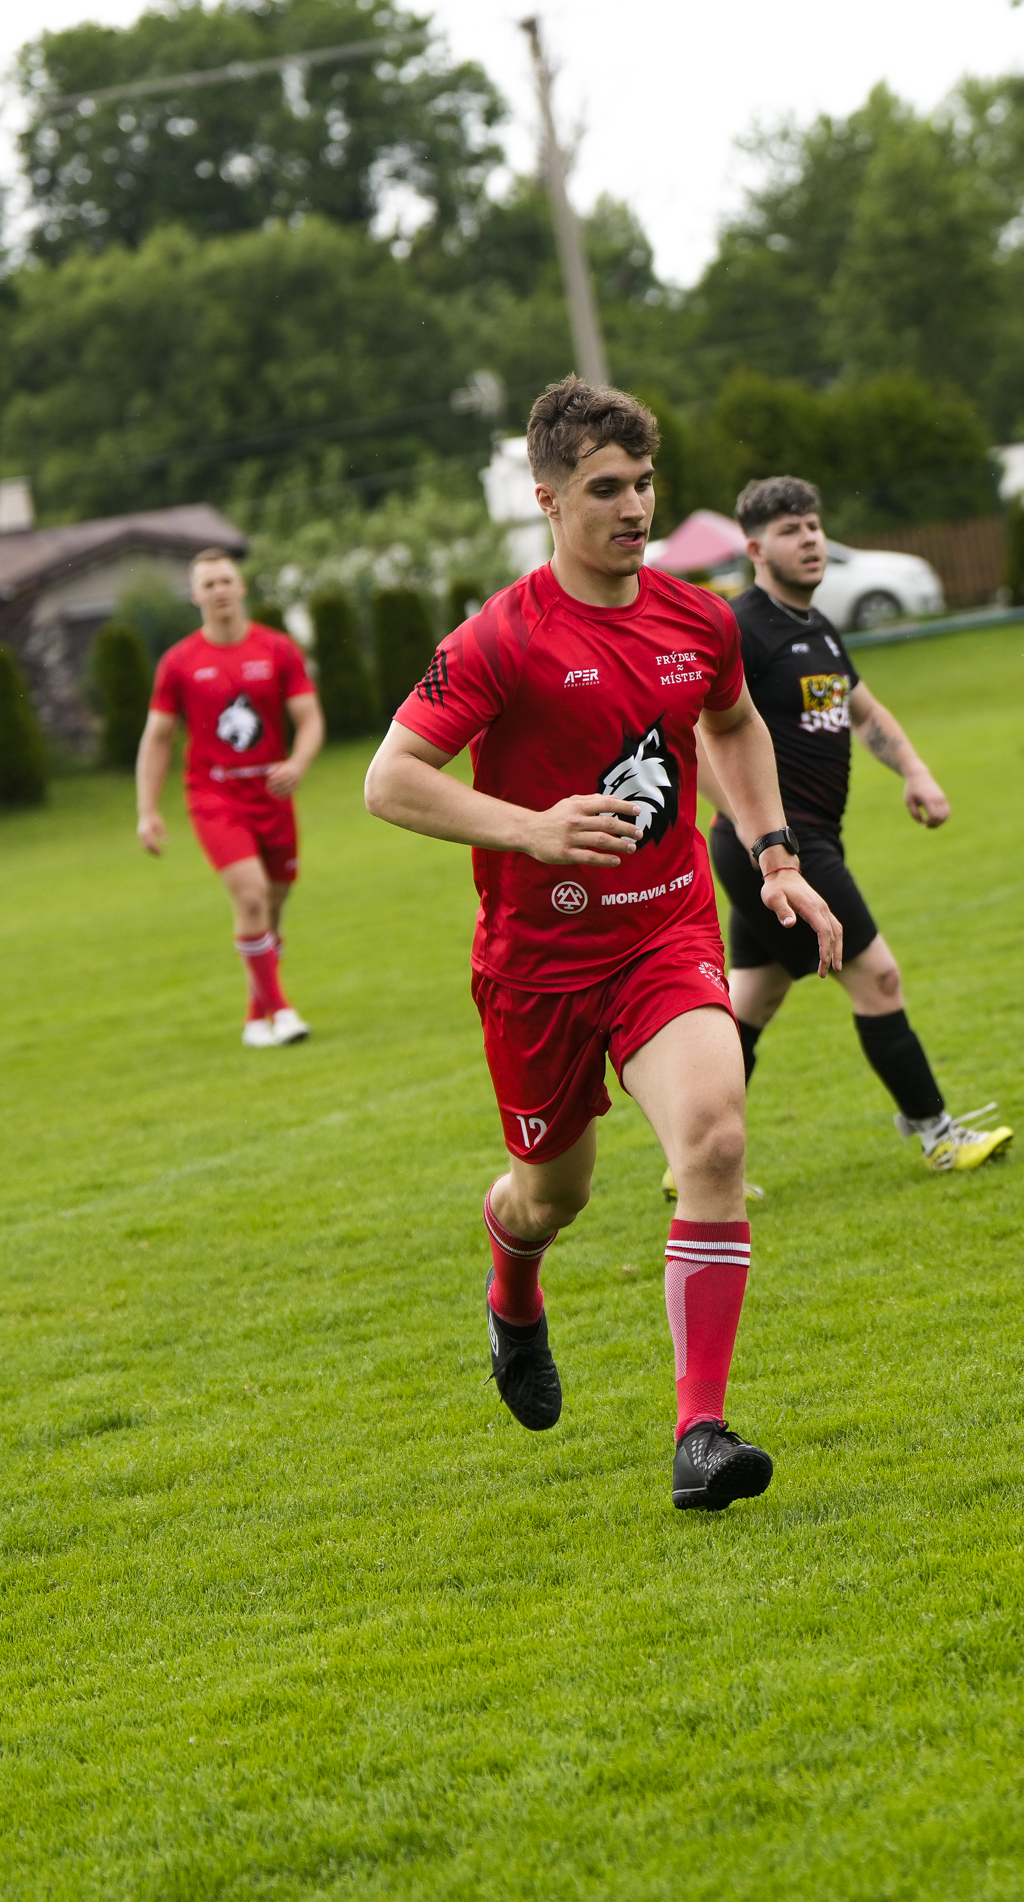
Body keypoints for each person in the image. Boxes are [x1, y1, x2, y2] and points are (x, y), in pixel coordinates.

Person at [361, 375, 843, 1513]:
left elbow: (733, 722)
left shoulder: (698, 620)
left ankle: (700, 1432)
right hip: (537, 968)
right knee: (550, 1196)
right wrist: (530, 829)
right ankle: (513, 1289)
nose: (634, 508)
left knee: (715, 1139)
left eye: (644, 484)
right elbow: (390, 779)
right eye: (606, 489)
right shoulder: (500, 637)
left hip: (666, 932)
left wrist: (776, 855)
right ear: (548, 499)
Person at [705, 475, 1014, 1174]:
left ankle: (693, 1155)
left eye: (814, 526)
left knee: (752, 1000)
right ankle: (937, 1133)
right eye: (790, 530)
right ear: (755, 550)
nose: (810, 539)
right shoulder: (742, 628)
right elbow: (699, 732)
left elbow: (863, 711)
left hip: (801, 840)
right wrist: (760, 836)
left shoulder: (816, 627)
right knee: (880, 980)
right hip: (783, 847)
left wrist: (916, 771)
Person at [136, 548, 325, 1047]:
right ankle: (282, 1012)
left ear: (240, 587)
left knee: (273, 904)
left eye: (226, 580)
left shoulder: (278, 649)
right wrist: (147, 810)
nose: (219, 590)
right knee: (251, 895)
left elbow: (309, 719)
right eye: (209, 584)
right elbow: (158, 737)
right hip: (214, 797)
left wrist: (297, 763)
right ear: (195, 596)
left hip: (272, 795)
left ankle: (255, 1019)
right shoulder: (178, 663)